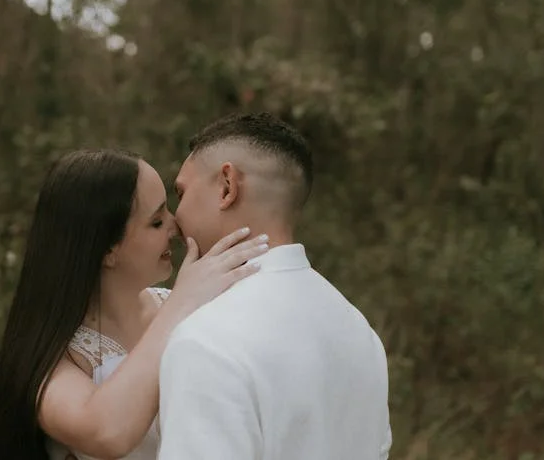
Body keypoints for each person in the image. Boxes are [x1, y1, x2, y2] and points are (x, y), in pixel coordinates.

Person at [0, 149, 270, 460]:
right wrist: (181, 304)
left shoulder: (181, 306)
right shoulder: (50, 357)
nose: (175, 226)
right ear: (107, 249)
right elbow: (106, 432)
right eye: (156, 221)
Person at [158, 112, 393, 459]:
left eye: (181, 192)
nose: (175, 220)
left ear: (227, 187)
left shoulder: (206, 340)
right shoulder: (360, 331)